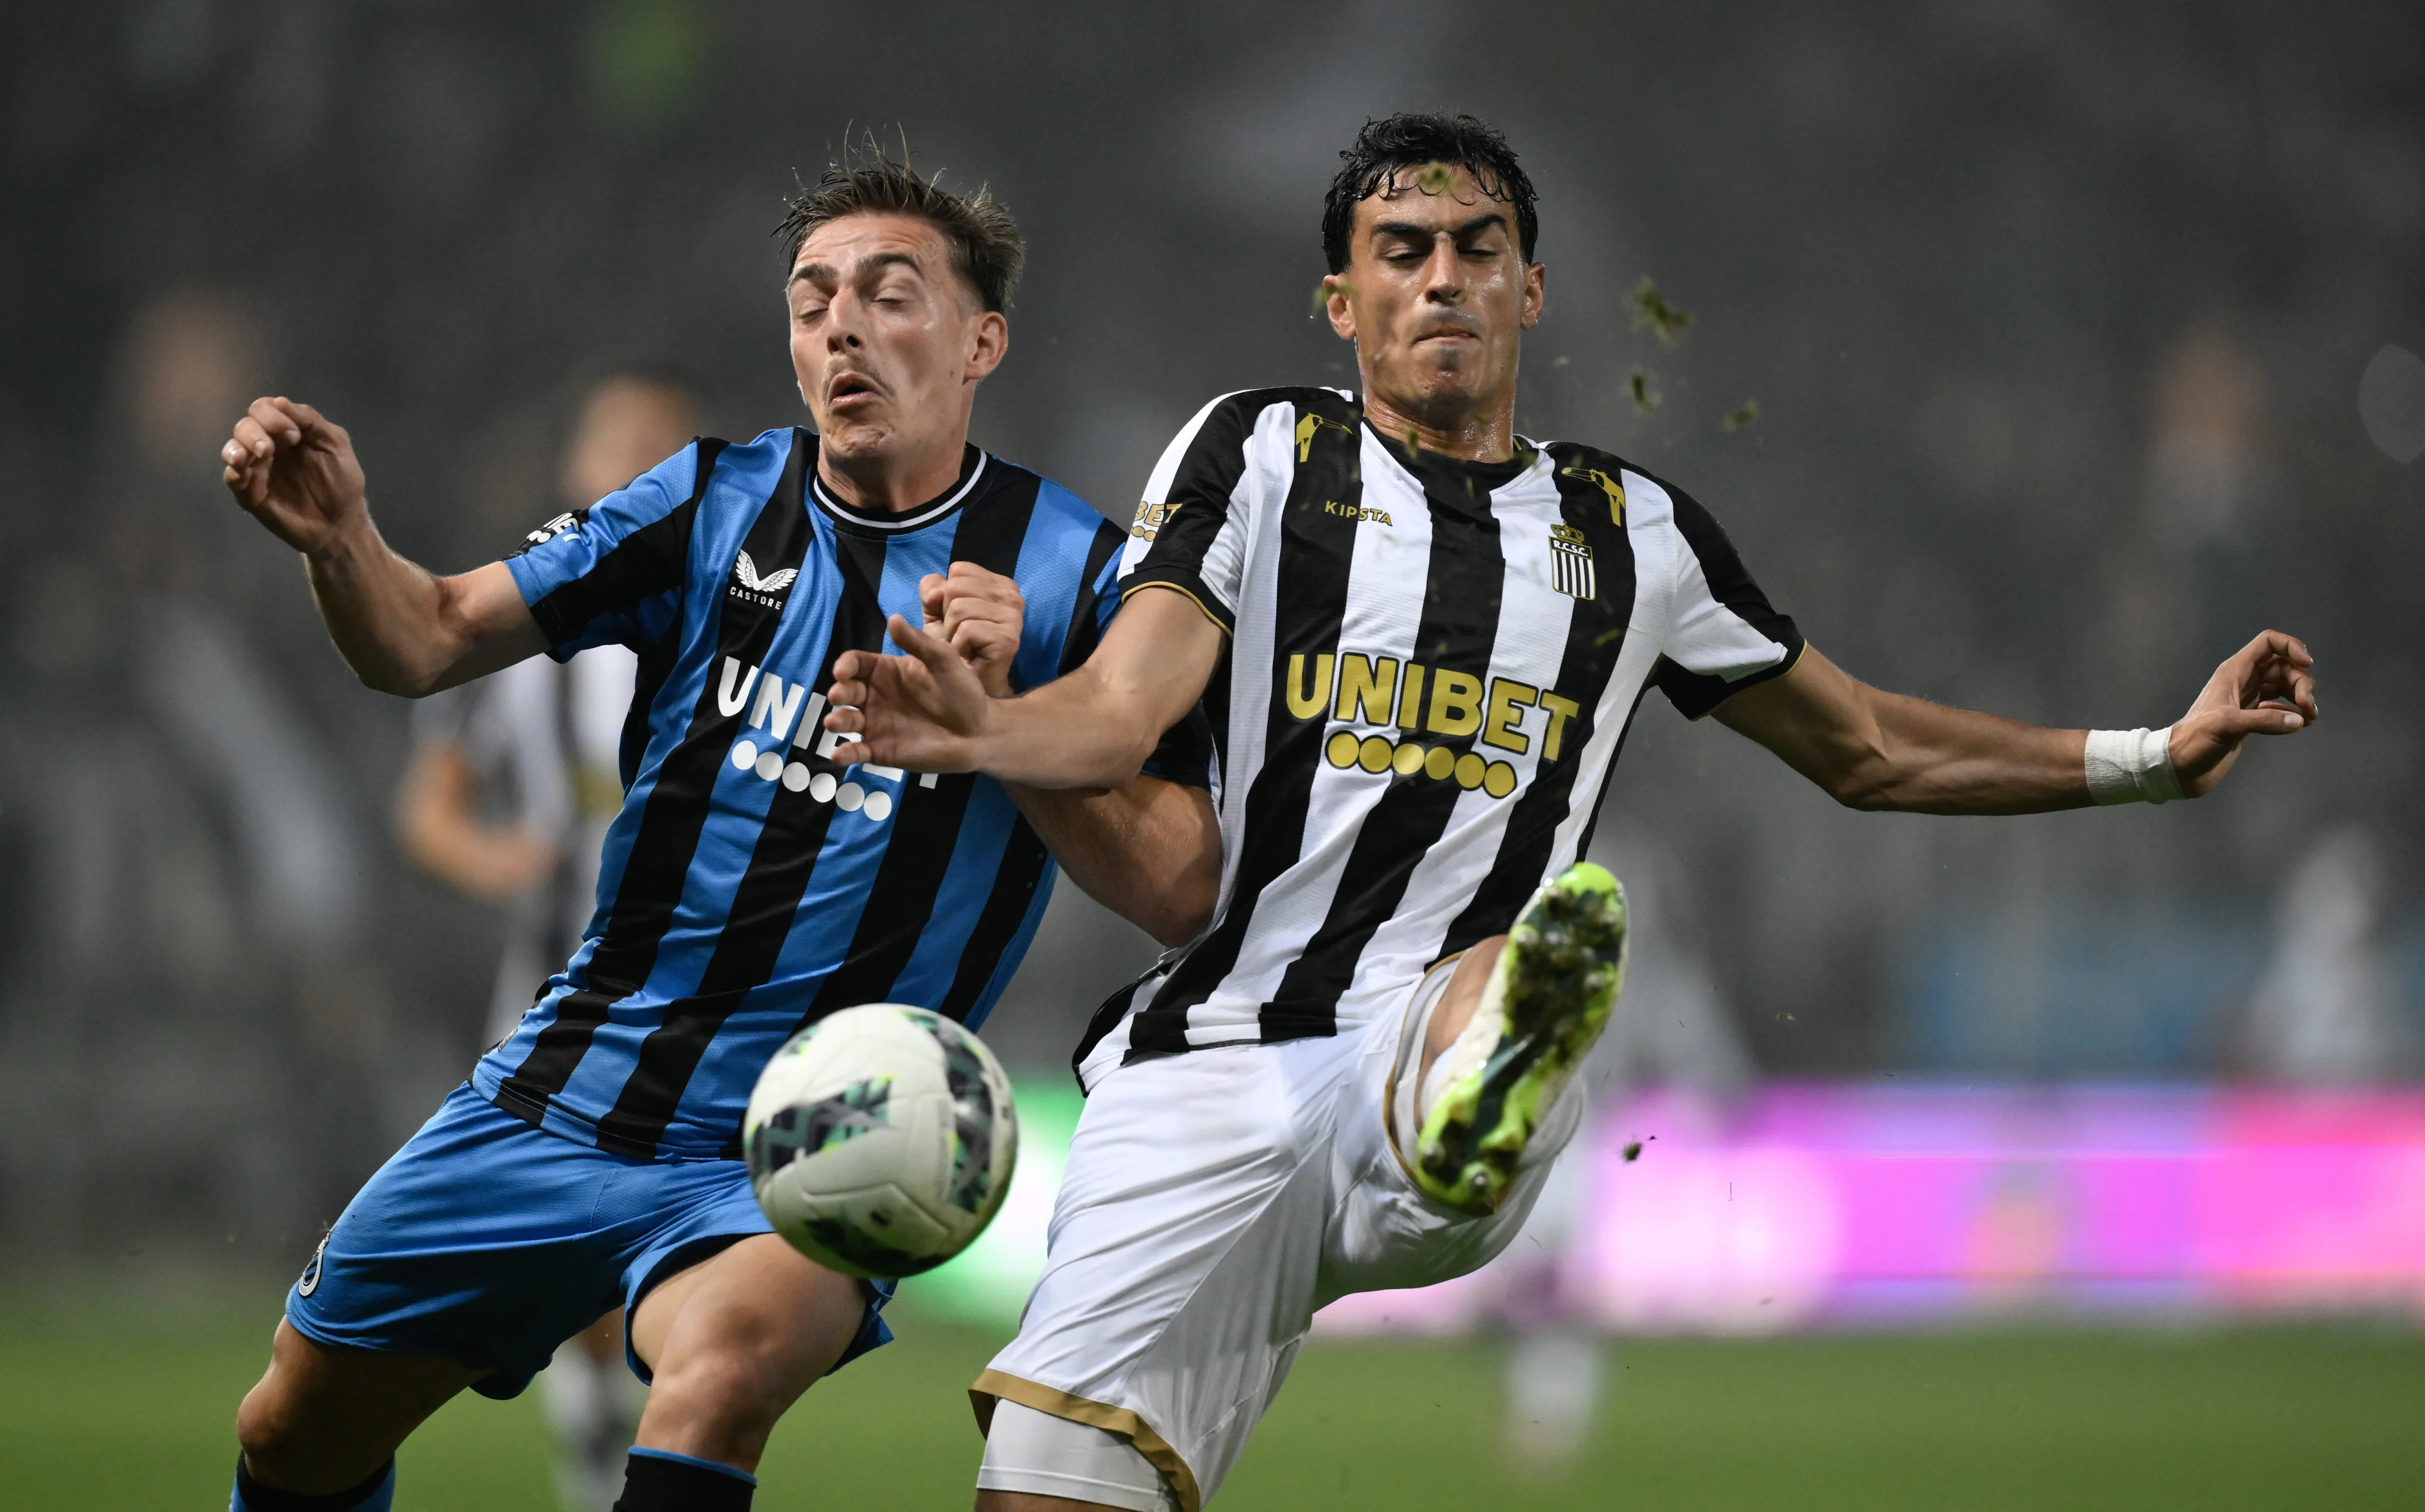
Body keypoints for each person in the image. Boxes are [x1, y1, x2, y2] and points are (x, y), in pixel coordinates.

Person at [823, 112, 2320, 1512]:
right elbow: (1130, 704)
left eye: (1478, 248)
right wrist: (993, 727)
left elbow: (1865, 745)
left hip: (1423, 1043)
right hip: (1209, 1064)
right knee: (1041, 1487)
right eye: (1401, 252)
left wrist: (2152, 752)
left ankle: (1492, 1076)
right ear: (1340, 302)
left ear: (1532, 289)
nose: (1443, 279)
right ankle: (1489, 1072)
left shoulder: (1634, 533)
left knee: (1509, 958)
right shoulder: (1264, 453)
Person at [217, 150, 1220, 1512]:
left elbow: (1177, 882)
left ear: (983, 339)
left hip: (812, 1135)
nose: (843, 325)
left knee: (719, 1374)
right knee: (291, 1430)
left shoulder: (1079, 573)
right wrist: (341, 539)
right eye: (813, 301)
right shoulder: (705, 501)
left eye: (889, 293)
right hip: (571, 1076)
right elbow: (425, 635)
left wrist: (1008, 721)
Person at [395, 368, 697, 1512]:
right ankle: (596, 1471)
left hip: (699, 990)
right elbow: (429, 805)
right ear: (574, 467)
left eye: (658, 441)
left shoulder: (742, 604)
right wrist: (496, 860)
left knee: (675, 1263)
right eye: (613, 437)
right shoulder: (528, 628)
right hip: (556, 984)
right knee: (576, 1264)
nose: (631, 457)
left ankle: (637, 1454)